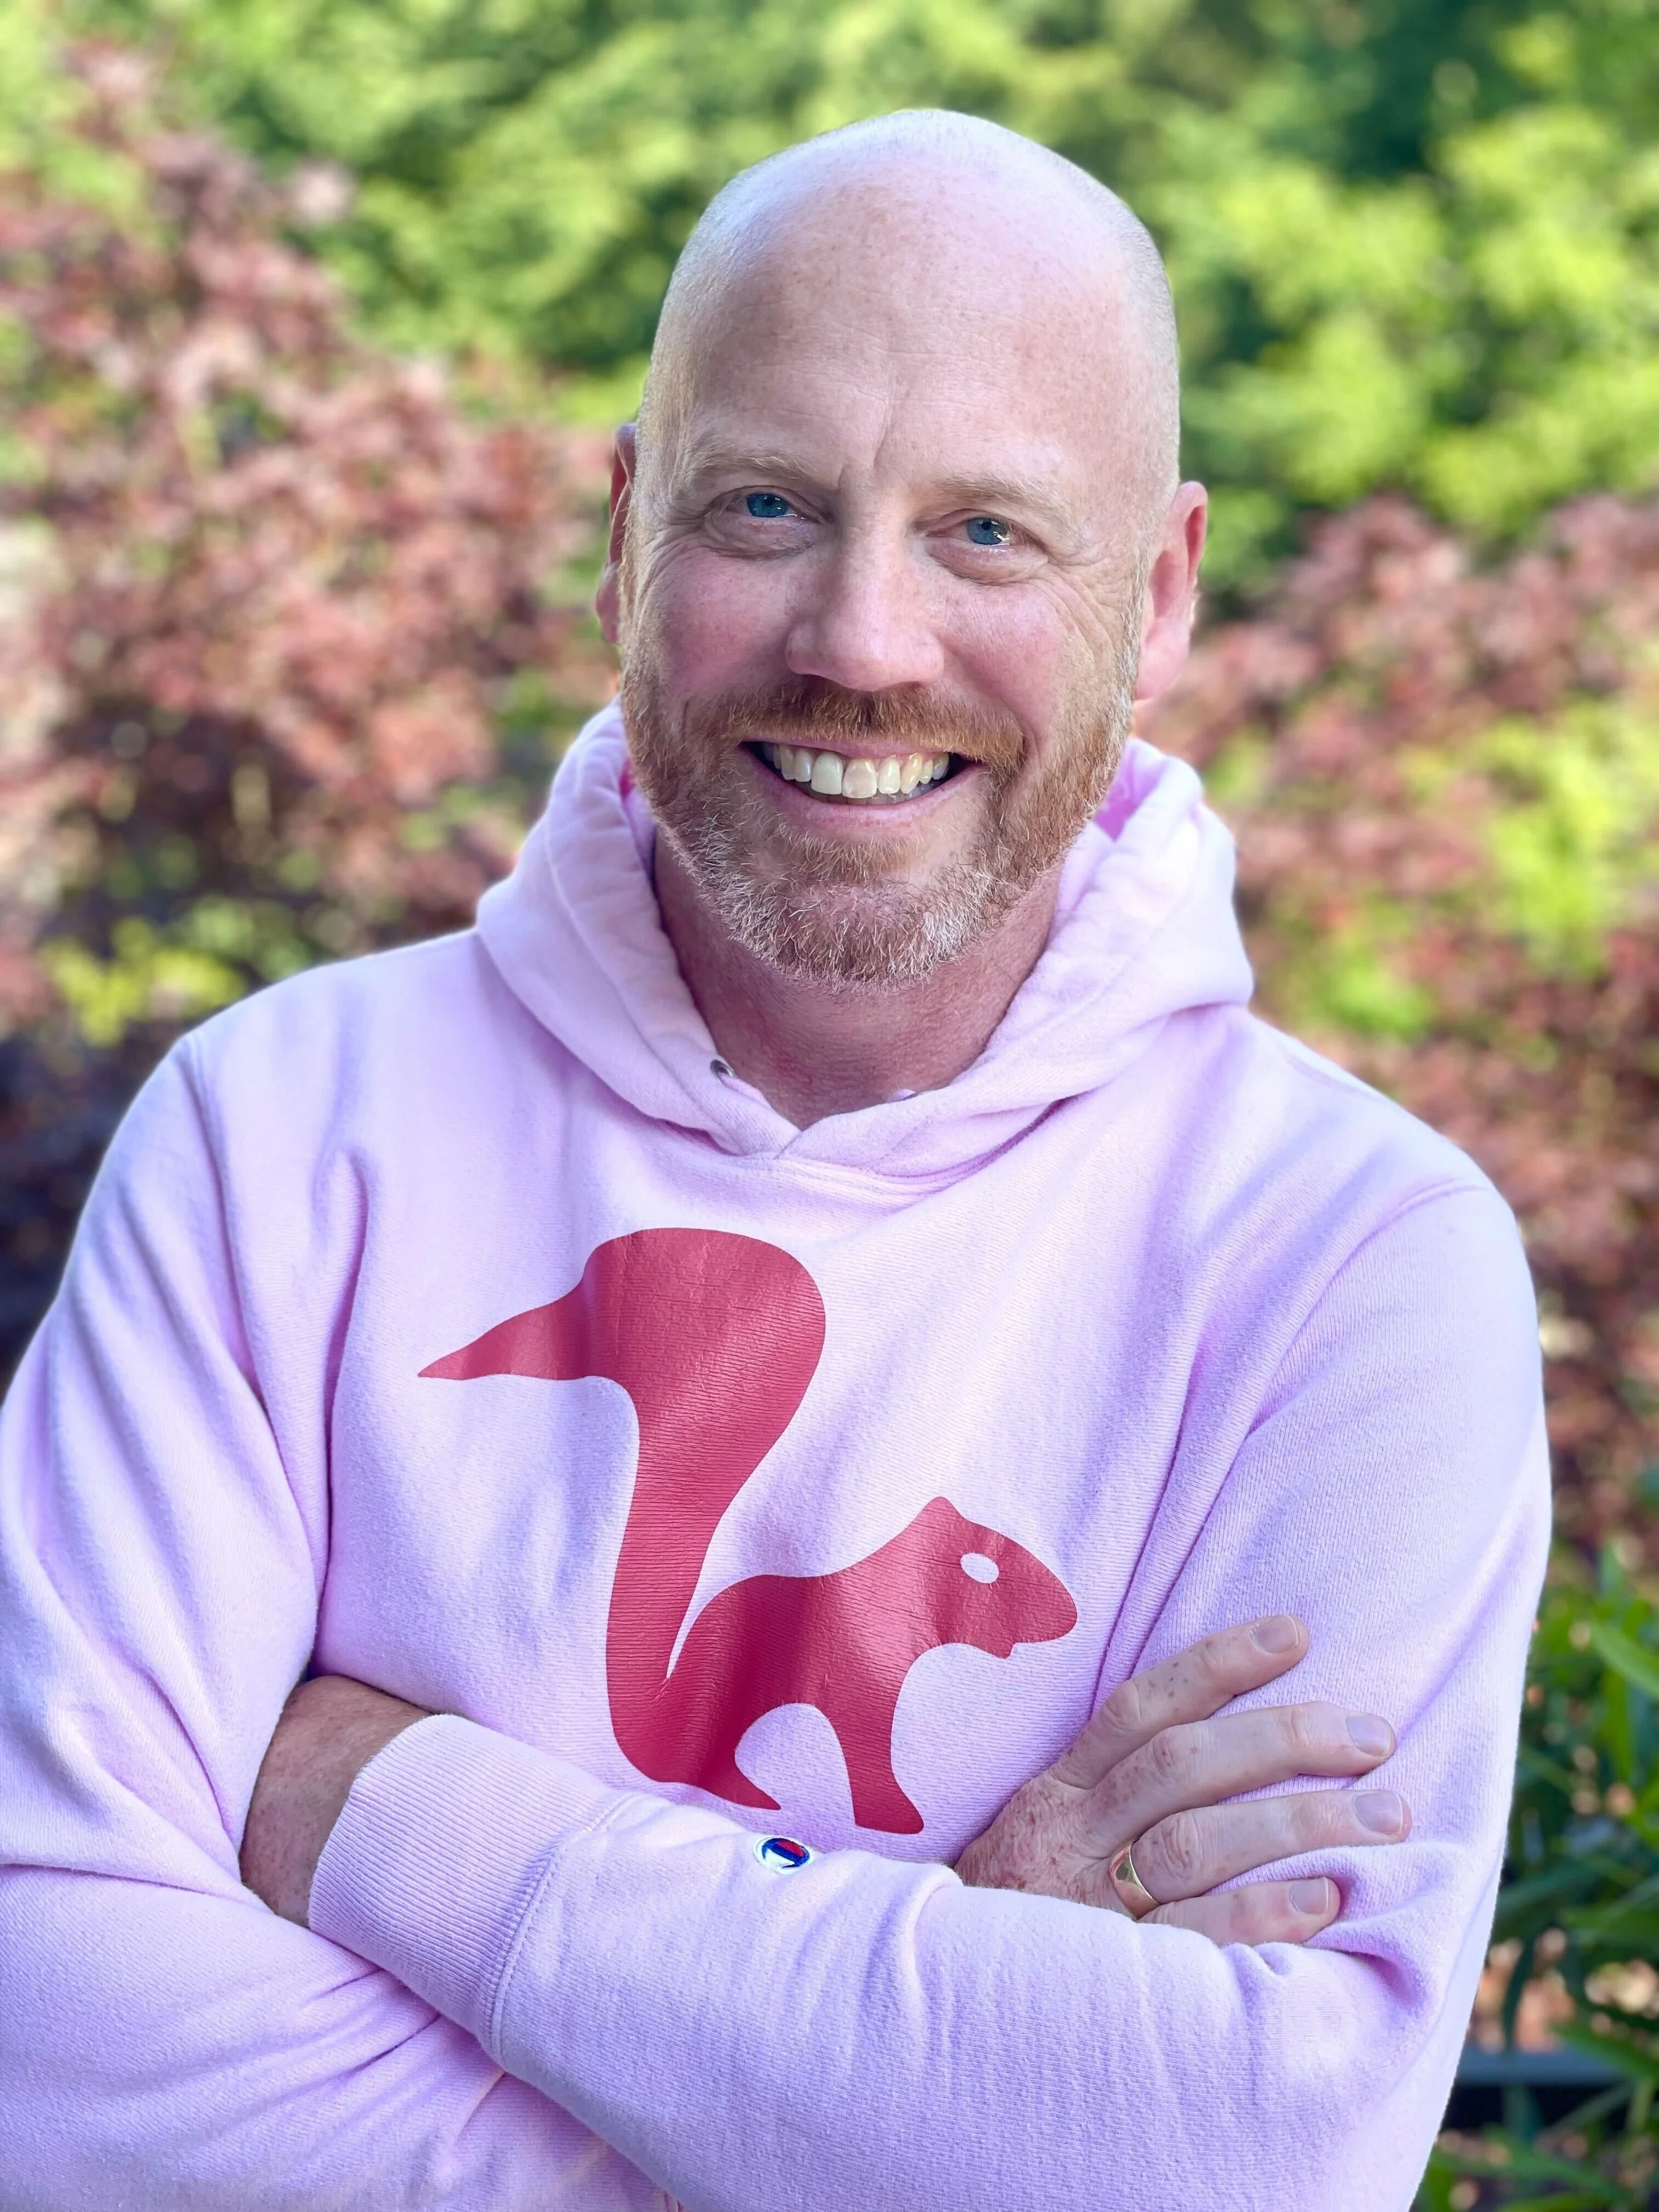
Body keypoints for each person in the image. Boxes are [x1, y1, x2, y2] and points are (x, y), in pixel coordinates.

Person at [0, 111, 1547, 2210]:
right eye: (765, 504)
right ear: (626, 531)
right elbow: (46, 2031)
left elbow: (1248, 2147)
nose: (863, 637)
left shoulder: (1356, 1266)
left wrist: (381, 1805)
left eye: (988, 531)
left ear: (1159, 593)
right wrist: (923, 2055)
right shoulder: (278, 1136)